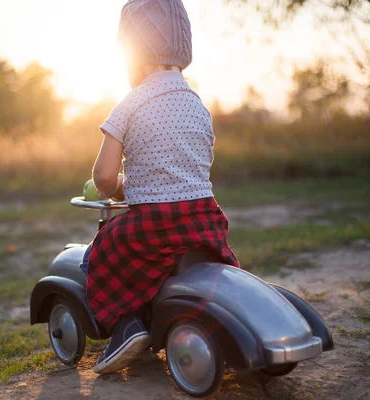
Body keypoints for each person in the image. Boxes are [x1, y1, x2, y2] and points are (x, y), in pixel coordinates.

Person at [83, 0, 240, 374]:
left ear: (131, 54)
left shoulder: (129, 104)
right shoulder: (197, 104)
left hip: (156, 223)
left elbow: (104, 178)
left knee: (103, 252)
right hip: (205, 219)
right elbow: (186, 168)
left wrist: (119, 186)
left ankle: (126, 326)